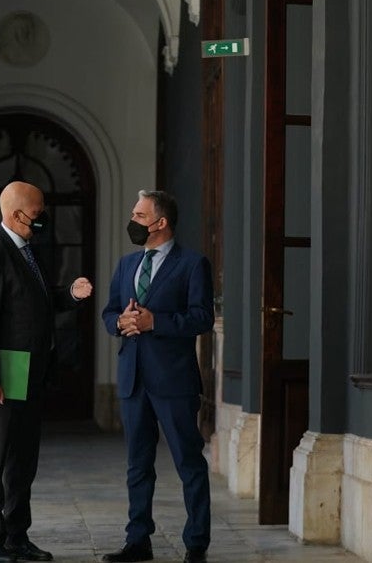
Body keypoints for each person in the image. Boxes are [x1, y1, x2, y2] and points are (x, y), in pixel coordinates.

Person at [0, 180, 93, 563]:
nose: (43, 220)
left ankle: (17, 537)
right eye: (38, 214)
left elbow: (36, 302)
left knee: (23, 461)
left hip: (30, 374)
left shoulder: (26, 249)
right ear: (15, 214)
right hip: (2, 378)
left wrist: (70, 295)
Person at [101, 190, 214, 563]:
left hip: (175, 381)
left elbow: (202, 318)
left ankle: (196, 543)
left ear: (160, 222)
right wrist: (121, 321)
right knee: (137, 464)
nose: (132, 221)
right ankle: (138, 541)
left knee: (188, 461)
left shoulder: (193, 264)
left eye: (139, 214)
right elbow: (109, 313)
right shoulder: (126, 264)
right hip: (133, 379)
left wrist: (155, 322)